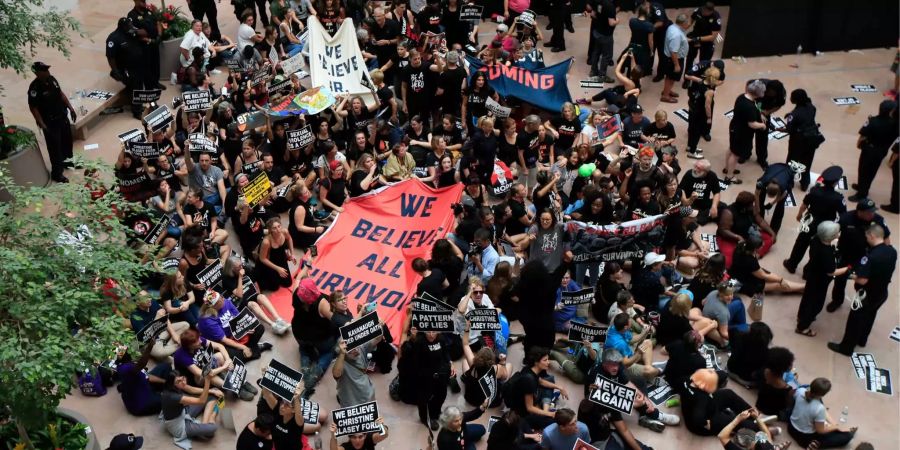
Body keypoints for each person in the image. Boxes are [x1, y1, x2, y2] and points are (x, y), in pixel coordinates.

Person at [828, 224, 897, 356]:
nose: (866, 239)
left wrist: (850, 275)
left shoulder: (870, 257)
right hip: (882, 292)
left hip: (865, 294)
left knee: (855, 320)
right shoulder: (892, 251)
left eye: (867, 236)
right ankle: (862, 340)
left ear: (872, 236)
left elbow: (862, 280)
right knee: (870, 316)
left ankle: (846, 348)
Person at [828, 198, 891, 312]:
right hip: (847, 254)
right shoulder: (846, 218)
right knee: (840, 280)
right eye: (869, 212)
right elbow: (833, 231)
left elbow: (885, 237)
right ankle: (837, 300)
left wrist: (886, 254)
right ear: (860, 212)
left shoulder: (878, 220)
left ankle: (861, 301)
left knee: (864, 282)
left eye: (873, 211)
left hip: (867, 257)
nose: (872, 214)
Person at [783, 166, 847, 273]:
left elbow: (804, 204)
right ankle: (808, 271)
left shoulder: (814, 190)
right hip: (825, 226)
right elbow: (843, 215)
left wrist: (799, 215)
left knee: (800, 243)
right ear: (836, 182)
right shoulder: (838, 198)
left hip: (809, 221)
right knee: (818, 249)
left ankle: (792, 264)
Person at [795, 221, 848, 337]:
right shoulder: (827, 252)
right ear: (831, 236)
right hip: (820, 281)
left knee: (807, 298)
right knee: (815, 304)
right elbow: (831, 272)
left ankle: (801, 316)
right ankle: (803, 327)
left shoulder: (815, 240)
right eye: (837, 232)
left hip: (812, 275)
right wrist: (847, 269)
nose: (839, 233)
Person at [27, 62, 76, 183]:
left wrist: (70, 108)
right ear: (37, 73)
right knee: (55, 148)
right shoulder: (34, 88)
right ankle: (57, 173)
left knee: (66, 141)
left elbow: (60, 94)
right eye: (44, 70)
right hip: (50, 122)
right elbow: (33, 107)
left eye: (47, 69)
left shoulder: (52, 80)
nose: (47, 72)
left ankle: (67, 162)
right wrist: (41, 123)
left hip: (62, 117)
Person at [504, 346, 569, 431]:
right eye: (545, 360)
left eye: (548, 359)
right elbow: (530, 408)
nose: (548, 362)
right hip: (524, 414)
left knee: (550, 379)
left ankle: (545, 408)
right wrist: (549, 414)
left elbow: (541, 381)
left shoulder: (529, 369)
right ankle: (545, 409)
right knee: (554, 421)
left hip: (531, 398)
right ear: (536, 362)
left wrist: (560, 387)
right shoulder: (529, 380)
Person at [849, 99, 899, 202]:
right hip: (881, 151)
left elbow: (863, 136)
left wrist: (859, 145)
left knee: (863, 170)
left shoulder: (873, 121)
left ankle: (861, 194)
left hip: (869, 149)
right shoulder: (895, 125)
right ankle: (863, 187)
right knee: (871, 172)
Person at [681, 368, 755, 436]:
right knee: (735, 421)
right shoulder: (702, 398)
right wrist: (706, 423)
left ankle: (751, 414)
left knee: (728, 394)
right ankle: (756, 425)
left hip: (699, 408)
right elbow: (698, 419)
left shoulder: (688, 380)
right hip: (705, 422)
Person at [788, 378, 858, 448]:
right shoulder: (819, 408)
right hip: (805, 438)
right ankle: (813, 444)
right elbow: (820, 431)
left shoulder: (800, 391)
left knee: (826, 422)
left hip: (791, 427)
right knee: (847, 436)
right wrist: (836, 427)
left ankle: (826, 424)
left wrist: (834, 424)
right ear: (824, 393)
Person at [160, 370, 219, 447]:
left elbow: (191, 389)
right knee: (212, 429)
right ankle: (212, 417)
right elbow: (201, 401)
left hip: (182, 411)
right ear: (172, 385)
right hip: (179, 426)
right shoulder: (174, 396)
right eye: (179, 381)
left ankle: (204, 423)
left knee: (212, 396)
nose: (183, 382)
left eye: (183, 378)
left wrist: (212, 391)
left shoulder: (174, 386)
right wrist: (207, 380)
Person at [725, 80, 768, 184]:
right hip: (742, 132)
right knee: (735, 154)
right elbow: (752, 124)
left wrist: (759, 113)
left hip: (734, 126)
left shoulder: (742, 97)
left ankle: (727, 168)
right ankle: (729, 176)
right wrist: (762, 125)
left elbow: (755, 105)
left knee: (731, 149)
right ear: (758, 93)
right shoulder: (750, 107)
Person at [412, 330, 454, 430]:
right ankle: (425, 418)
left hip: (440, 373)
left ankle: (435, 413)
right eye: (428, 332)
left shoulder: (441, 339)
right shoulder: (419, 342)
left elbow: (445, 353)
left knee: (441, 395)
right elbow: (415, 361)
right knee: (424, 398)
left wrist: (450, 363)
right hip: (425, 375)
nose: (431, 335)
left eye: (434, 332)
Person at [782, 89, 819, 190]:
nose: (790, 98)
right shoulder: (812, 107)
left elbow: (789, 129)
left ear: (796, 99)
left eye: (792, 97)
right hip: (812, 139)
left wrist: (782, 128)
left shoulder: (794, 115)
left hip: (798, 142)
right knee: (807, 162)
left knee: (792, 161)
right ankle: (804, 184)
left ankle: (789, 182)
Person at [685, 66, 720, 159]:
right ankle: (692, 152)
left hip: (693, 108)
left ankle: (690, 146)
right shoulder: (709, 91)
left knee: (691, 129)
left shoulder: (701, 81)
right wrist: (709, 117)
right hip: (700, 113)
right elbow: (707, 106)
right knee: (697, 132)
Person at [332, 338, 376, 407]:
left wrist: (379, 328)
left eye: (355, 346)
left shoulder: (360, 348)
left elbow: (376, 339)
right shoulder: (341, 362)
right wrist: (342, 353)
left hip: (368, 395)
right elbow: (336, 374)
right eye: (350, 348)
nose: (355, 350)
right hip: (351, 402)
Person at [727, 321, 773, 386]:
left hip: (731, 370)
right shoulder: (767, 353)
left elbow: (731, 330)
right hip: (747, 380)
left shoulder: (737, 335)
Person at [679, 158, 722, 224]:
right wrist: (686, 201)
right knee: (685, 213)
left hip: (704, 203)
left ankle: (703, 215)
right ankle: (704, 216)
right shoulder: (689, 174)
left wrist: (714, 206)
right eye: (695, 166)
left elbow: (716, 192)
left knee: (723, 206)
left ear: (705, 171)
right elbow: (681, 189)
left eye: (698, 168)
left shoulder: (712, 176)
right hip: (690, 203)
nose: (695, 169)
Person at [755, 163, 795, 233]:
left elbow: (782, 195)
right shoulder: (762, 182)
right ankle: (759, 220)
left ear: (778, 191)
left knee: (780, 205)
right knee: (760, 197)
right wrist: (757, 207)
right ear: (766, 188)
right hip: (774, 167)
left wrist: (772, 203)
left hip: (787, 171)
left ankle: (774, 229)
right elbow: (756, 194)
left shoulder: (783, 186)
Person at [256, 217, 294, 291]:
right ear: (270, 230)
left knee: (288, 283)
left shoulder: (284, 232)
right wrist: (277, 269)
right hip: (269, 261)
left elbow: (289, 239)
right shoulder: (266, 242)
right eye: (274, 228)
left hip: (280, 257)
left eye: (279, 226)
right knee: (274, 288)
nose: (278, 230)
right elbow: (262, 259)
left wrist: (292, 254)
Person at [684, 2, 722, 75]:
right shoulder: (698, 10)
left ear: (711, 11)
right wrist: (681, 30)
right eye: (702, 10)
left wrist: (697, 39)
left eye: (705, 12)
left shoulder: (716, 18)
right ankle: (687, 77)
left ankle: (699, 78)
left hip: (707, 41)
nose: (703, 12)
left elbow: (712, 37)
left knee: (704, 62)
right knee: (689, 58)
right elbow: (689, 22)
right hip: (695, 35)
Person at [660, 14, 690, 103]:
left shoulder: (672, 27)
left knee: (670, 77)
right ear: (683, 23)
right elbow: (673, 51)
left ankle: (667, 90)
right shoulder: (676, 35)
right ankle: (665, 96)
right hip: (674, 60)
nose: (688, 24)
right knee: (671, 78)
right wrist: (676, 65)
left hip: (671, 58)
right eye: (687, 22)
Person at [586, 0, 618, 83]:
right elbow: (611, 23)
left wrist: (600, 20)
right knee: (607, 55)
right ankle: (602, 75)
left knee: (596, 52)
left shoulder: (597, 1)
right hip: (606, 35)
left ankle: (593, 71)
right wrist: (617, 21)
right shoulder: (610, 6)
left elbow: (592, 14)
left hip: (597, 32)